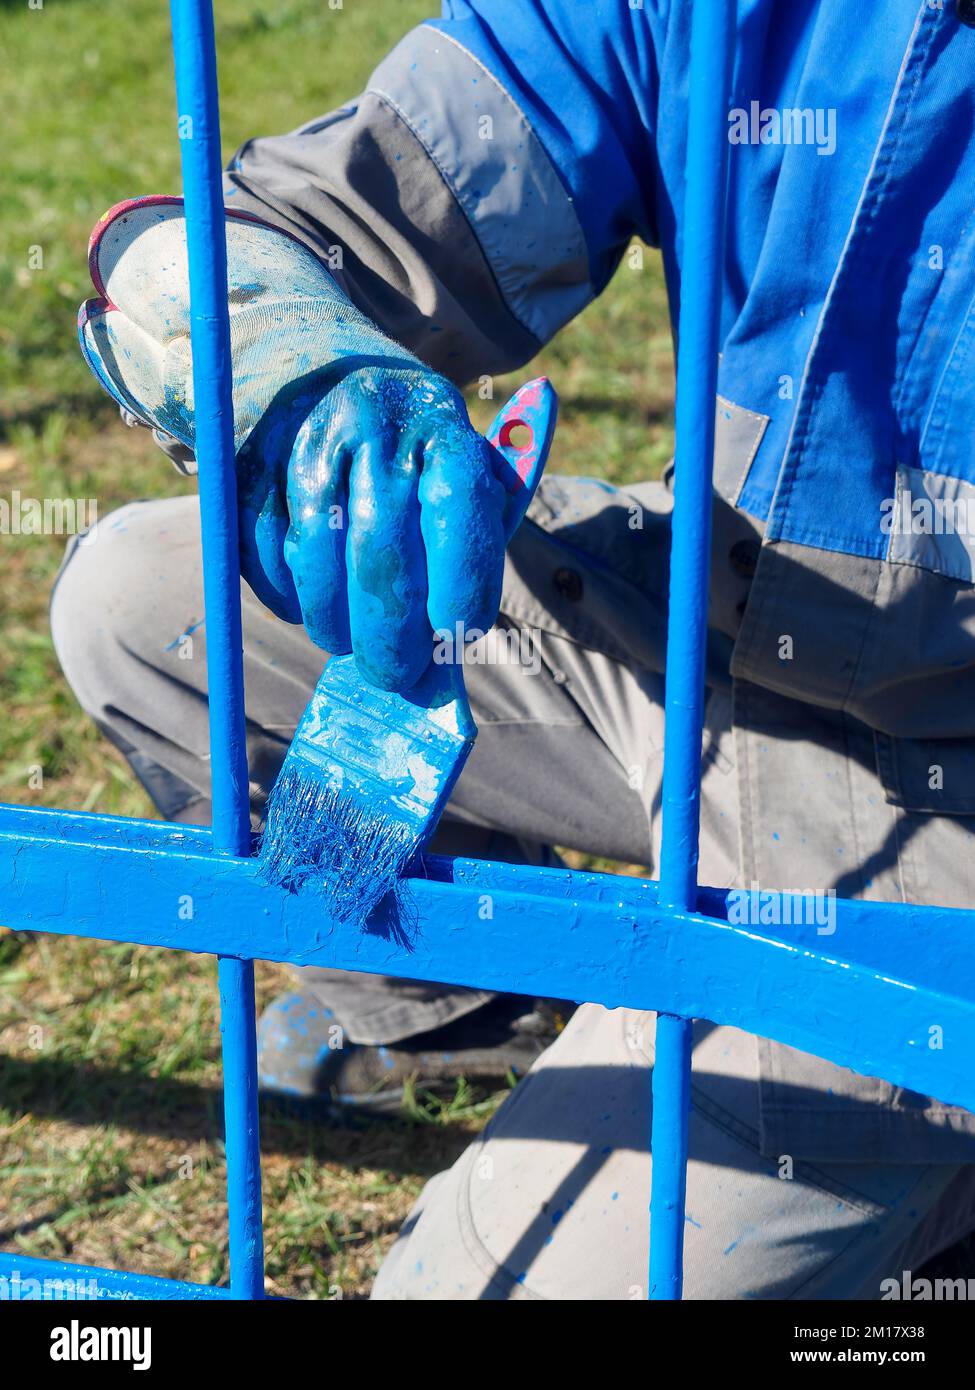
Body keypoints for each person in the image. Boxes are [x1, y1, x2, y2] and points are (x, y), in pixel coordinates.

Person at [52, 0, 975, 1298]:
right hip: (718, 626)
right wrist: (283, 349)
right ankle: (461, 1016)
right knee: (139, 602)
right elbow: (285, 222)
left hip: (938, 829)